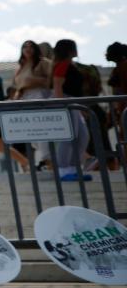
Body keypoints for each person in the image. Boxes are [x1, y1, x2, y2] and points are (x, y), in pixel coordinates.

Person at [51, 39, 91, 181]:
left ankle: (74, 167)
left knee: (83, 136)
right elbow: (57, 85)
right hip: (66, 101)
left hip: (73, 102)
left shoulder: (70, 65)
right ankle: (63, 169)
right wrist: (63, 104)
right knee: (68, 136)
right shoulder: (63, 65)